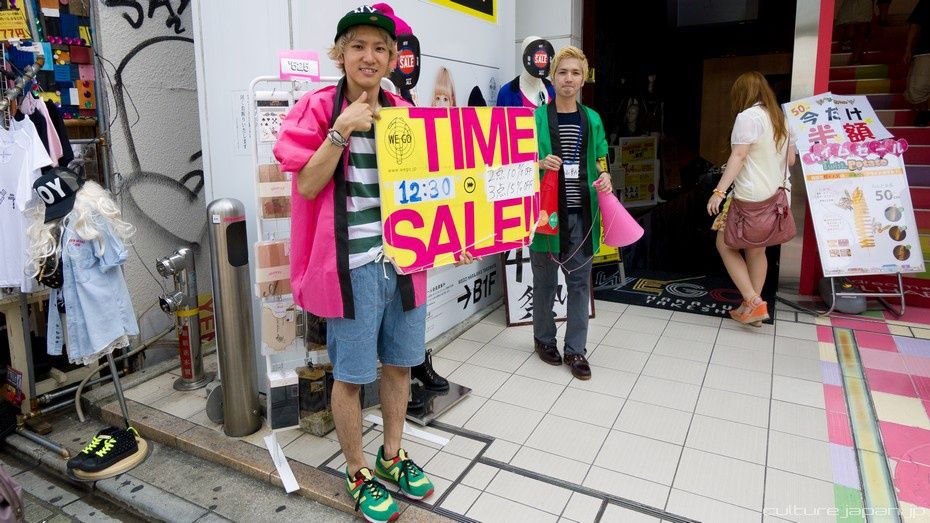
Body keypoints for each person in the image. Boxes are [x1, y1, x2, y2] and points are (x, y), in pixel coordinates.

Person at [272, 6, 471, 522]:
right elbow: (307, 185)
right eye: (358, 46)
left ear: (391, 57)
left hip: (405, 260)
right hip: (351, 266)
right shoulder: (319, 107)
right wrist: (341, 131)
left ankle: (392, 455)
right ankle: (357, 470)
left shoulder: (405, 113)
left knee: (401, 364)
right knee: (352, 375)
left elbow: (435, 187)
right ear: (341, 54)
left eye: (380, 48)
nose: (369, 56)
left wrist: (457, 235)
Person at [531, 46, 611, 380]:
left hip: (581, 214)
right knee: (545, 283)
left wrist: (605, 175)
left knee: (579, 284)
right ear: (552, 77)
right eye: (562, 72)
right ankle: (543, 338)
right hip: (545, 215)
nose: (568, 79)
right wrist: (539, 163)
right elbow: (515, 160)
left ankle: (576, 349)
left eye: (575, 73)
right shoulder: (536, 118)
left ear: (583, 79)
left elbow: (601, 158)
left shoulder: (591, 119)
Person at [706, 72, 796, 326]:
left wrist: (719, 191)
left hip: (751, 197)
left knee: (725, 244)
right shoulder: (782, 119)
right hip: (778, 196)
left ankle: (753, 301)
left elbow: (739, 155)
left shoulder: (747, 117)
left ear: (743, 94)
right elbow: (790, 160)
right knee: (757, 251)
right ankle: (752, 311)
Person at [904, 0, 930, 126]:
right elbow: (915, 24)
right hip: (925, 49)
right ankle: (924, 112)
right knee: (917, 88)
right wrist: (908, 48)